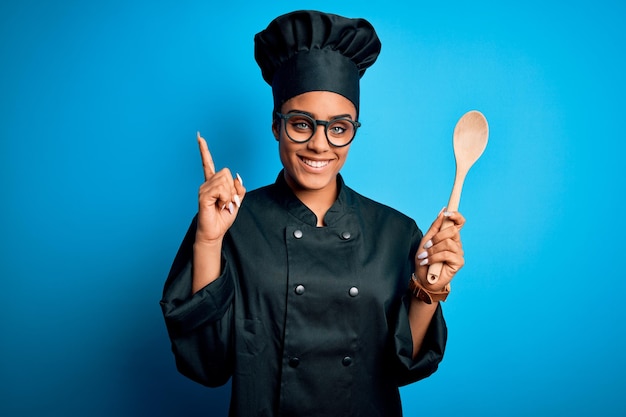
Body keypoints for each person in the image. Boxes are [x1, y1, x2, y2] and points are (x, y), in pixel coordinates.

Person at [161, 10, 465, 417]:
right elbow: (206, 366)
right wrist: (208, 240)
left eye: (339, 128)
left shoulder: (395, 232)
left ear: (354, 130)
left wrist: (429, 289)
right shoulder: (231, 222)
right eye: (302, 124)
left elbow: (402, 367)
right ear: (276, 125)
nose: (320, 145)